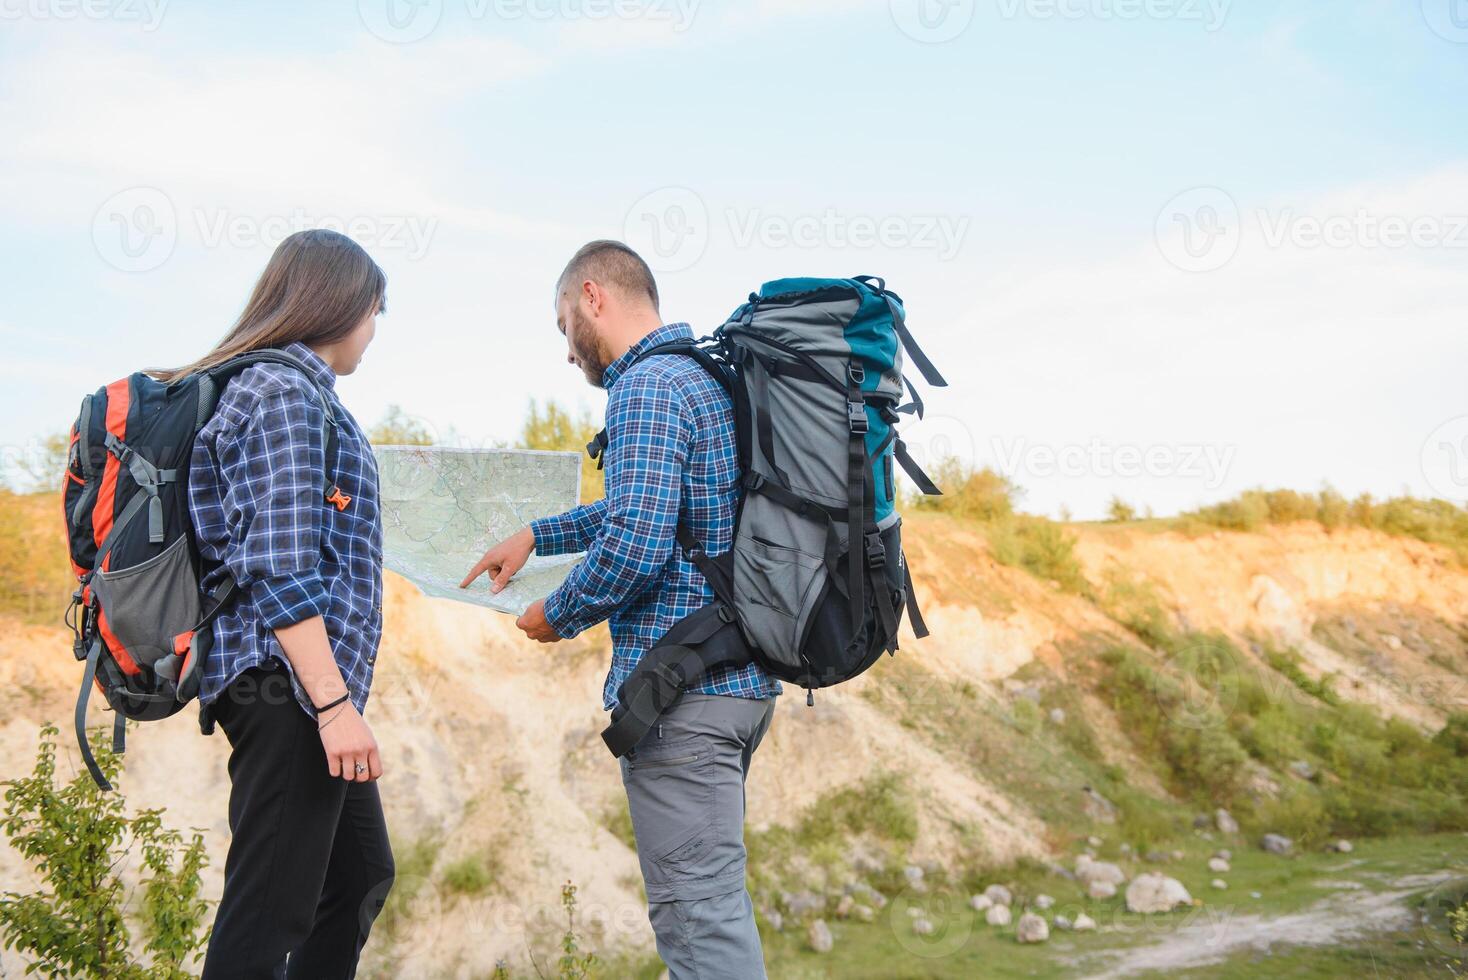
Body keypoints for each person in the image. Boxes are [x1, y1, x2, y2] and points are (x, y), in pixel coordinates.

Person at [461, 240, 779, 979]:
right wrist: (540, 534)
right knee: (709, 918)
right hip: (735, 683)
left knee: (702, 934)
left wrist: (556, 614)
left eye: (564, 322)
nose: (569, 354)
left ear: (594, 296)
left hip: (685, 698)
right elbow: (654, 512)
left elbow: (637, 545)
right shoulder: (702, 376)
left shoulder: (645, 387)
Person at [162, 229, 395, 979]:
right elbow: (280, 568)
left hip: (293, 681)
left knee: (359, 873)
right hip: (285, 684)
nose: (372, 332)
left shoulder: (295, 397)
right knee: (268, 911)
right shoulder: (285, 395)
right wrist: (332, 705)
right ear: (338, 303)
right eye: (373, 312)